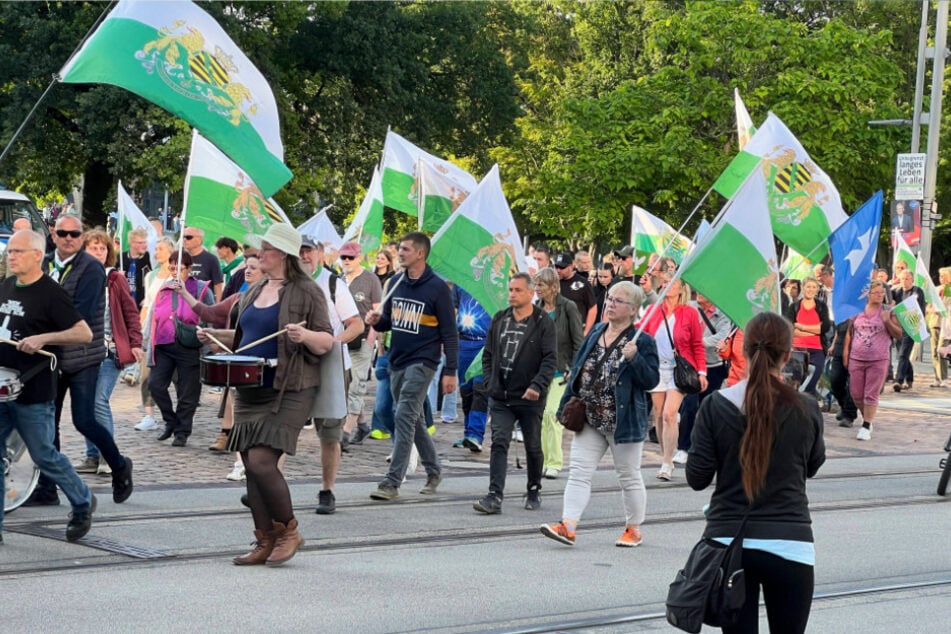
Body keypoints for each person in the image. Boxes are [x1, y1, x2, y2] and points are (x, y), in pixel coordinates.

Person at [199, 223, 333, 566]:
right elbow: (246, 339)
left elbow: (326, 341)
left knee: (261, 461)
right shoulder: (252, 290)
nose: (260, 254)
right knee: (249, 464)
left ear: (285, 255)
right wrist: (214, 336)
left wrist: (304, 335)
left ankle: (289, 531)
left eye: (267, 249)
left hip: (288, 387)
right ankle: (264, 539)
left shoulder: (308, 291)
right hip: (250, 388)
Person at [686, 311, 826, 634]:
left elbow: (697, 477)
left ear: (743, 350)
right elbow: (813, 465)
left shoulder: (715, 406)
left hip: (728, 543)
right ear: (788, 355)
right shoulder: (806, 408)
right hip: (790, 543)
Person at [540, 282, 659, 547]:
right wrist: (569, 397)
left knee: (628, 476)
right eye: (610, 299)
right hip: (591, 418)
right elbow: (582, 364)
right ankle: (568, 525)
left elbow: (651, 380)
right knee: (579, 472)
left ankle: (633, 528)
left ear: (632, 309)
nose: (610, 304)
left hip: (623, 422)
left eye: (618, 301)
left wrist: (635, 359)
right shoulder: (596, 330)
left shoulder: (643, 341)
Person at [27, 215, 134, 507]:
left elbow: (80, 316)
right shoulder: (46, 262)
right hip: (50, 357)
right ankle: (47, 487)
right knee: (48, 422)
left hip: (83, 356)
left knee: (84, 419)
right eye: (62, 233)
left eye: (74, 234)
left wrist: (41, 327)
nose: (68, 238)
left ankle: (119, 464)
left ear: (81, 237)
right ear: (54, 234)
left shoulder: (91, 268)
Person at [0, 230, 99, 543]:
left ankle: (82, 500)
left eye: (17, 251)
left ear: (36, 254)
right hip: (1, 386)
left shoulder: (50, 293)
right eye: (9, 251)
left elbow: (84, 334)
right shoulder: (6, 285)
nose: (10, 256)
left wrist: (44, 338)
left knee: (43, 455)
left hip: (32, 390)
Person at [365, 232, 458, 501]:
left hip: (424, 361)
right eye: (400, 248)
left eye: (405, 249)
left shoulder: (438, 288)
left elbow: (450, 334)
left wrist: (450, 370)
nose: (400, 253)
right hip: (397, 359)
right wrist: (376, 320)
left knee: (403, 414)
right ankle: (434, 470)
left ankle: (392, 481)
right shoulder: (395, 283)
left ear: (420, 253)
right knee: (413, 419)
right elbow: (388, 323)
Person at [474, 272, 556, 514]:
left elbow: (550, 358)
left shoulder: (543, 322)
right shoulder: (500, 319)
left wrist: (537, 386)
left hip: (530, 398)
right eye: (510, 289)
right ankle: (494, 495)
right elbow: (488, 354)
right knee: (499, 442)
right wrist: (490, 382)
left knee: (532, 445)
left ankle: (533, 488)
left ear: (531, 293)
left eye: (518, 290)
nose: (512, 294)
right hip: (501, 396)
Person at [297, 237, 363, 515]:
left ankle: (327, 490)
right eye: (298, 252)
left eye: (308, 251)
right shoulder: (286, 282)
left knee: (330, 433)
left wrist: (333, 343)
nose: (304, 257)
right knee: (282, 427)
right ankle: (267, 487)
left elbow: (356, 324)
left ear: (320, 254)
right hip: (296, 363)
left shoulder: (333, 284)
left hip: (331, 365)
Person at [177, 252, 263, 456]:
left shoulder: (269, 299)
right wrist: (185, 294)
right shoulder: (238, 297)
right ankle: (226, 434)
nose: (247, 271)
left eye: (253, 267)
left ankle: (241, 439)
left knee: (242, 398)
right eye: (246, 267)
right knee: (230, 392)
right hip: (232, 353)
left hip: (255, 356)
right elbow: (210, 313)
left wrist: (217, 335)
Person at [77, 229, 143, 476]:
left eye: (102, 248)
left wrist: (135, 342)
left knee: (98, 401)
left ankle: (108, 455)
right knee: (84, 405)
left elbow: (131, 312)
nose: (98, 252)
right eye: (93, 248)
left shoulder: (115, 279)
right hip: (82, 351)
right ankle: (92, 456)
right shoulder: (78, 276)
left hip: (108, 350)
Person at [638, 277, 706, 481]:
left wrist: (702, 371)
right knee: (658, 415)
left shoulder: (689, 313)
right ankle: (665, 454)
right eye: (665, 281)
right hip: (656, 369)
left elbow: (697, 344)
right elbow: (639, 331)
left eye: (672, 281)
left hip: (679, 371)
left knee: (669, 414)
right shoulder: (653, 310)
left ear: (680, 288)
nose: (668, 284)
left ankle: (667, 461)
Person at [148, 249, 214, 447]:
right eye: (172, 268)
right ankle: (170, 421)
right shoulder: (163, 289)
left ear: (189, 269)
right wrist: (146, 343)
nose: (176, 272)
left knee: (188, 391)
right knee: (156, 385)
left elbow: (211, 315)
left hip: (189, 344)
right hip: (164, 343)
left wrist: (208, 338)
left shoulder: (201, 289)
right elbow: (154, 316)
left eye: (180, 268)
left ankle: (182, 431)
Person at [534, 266, 583, 479]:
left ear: (553, 286)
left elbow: (578, 341)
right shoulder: (535, 308)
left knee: (551, 414)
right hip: (538, 372)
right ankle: (543, 460)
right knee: (539, 418)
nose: (537, 289)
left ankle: (554, 461)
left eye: (541, 285)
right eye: (536, 285)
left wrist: (574, 368)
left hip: (561, 372)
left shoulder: (568, 307)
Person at [675, 292, 731, 465]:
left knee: (707, 408)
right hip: (691, 366)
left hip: (713, 366)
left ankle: (705, 447)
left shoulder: (723, 313)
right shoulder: (690, 308)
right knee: (689, 406)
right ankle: (683, 447)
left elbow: (721, 337)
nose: (698, 293)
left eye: (703, 291)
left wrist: (696, 341)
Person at [844, 281, 903, 441]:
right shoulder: (857, 311)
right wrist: (846, 353)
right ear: (868, 294)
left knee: (871, 394)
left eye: (881, 292)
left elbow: (899, 334)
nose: (879, 295)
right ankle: (867, 418)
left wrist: (887, 321)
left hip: (878, 359)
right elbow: (851, 331)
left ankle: (866, 425)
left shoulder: (888, 311)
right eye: (876, 292)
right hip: (857, 357)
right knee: (856, 394)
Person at [337, 241, 382, 444]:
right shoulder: (338, 280)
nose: (346, 261)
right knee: (346, 384)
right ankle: (362, 424)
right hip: (342, 339)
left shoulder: (371, 279)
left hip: (362, 338)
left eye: (350, 257)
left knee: (356, 384)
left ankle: (345, 432)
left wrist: (372, 337)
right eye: (343, 257)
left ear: (360, 257)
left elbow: (377, 310)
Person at [784, 277, 830, 397]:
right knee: (795, 383)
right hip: (797, 349)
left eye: (814, 287)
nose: (811, 290)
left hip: (817, 349)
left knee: (812, 381)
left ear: (817, 289)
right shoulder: (794, 307)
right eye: (808, 287)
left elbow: (824, 328)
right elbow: (790, 328)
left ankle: (808, 407)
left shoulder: (821, 307)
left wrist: (802, 327)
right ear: (803, 288)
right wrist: (814, 330)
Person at [891, 269, 924, 391]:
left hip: (911, 327)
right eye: (902, 279)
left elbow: (919, 307)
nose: (904, 281)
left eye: (906, 279)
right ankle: (909, 378)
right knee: (902, 355)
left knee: (903, 354)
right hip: (898, 327)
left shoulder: (916, 291)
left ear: (912, 280)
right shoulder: (896, 291)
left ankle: (898, 380)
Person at [554, 252, 596, 334]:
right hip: (558, 331)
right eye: (557, 267)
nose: (558, 270)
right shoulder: (554, 283)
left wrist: (586, 331)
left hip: (577, 329)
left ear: (570, 267)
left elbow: (593, 307)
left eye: (562, 267)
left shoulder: (583, 283)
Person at [182, 226, 224, 300]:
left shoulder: (211, 259)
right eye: (183, 237)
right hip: (182, 304)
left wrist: (217, 307)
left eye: (188, 237)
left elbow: (218, 285)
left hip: (203, 305)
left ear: (199, 239)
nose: (185, 240)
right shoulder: (180, 258)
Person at [927, 266, 951, 387]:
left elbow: (946, 305)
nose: (942, 279)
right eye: (941, 276)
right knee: (934, 351)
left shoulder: (950, 290)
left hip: (946, 324)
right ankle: (936, 378)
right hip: (935, 322)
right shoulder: (936, 290)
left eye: (945, 276)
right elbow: (929, 305)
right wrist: (930, 308)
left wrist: (939, 308)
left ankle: (944, 378)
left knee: (941, 350)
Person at [120, 228, 152, 309]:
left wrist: (148, 298)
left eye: (145, 242)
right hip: (124, 305)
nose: (144, 245)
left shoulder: (149, 258)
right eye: (140, 243)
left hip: (142, 305)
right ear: (131, 243)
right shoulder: (120, 258)